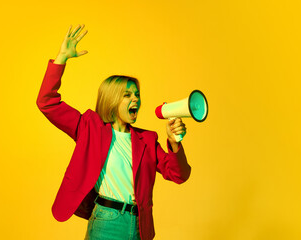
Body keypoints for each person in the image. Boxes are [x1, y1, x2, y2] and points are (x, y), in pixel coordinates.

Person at [36, 24, 191, 240]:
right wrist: (61, 58)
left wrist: (174, 143)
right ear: (111, 99)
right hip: (106, 220)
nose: (136, 99)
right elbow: (47, 102)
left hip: (139, 225)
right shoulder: (89, 127)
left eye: (137, 94)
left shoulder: (147, 140)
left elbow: (179, 175)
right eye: (127, 95)